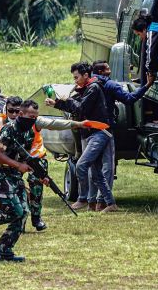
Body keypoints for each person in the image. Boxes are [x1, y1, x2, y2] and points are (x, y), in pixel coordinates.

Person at [0, 96, 87, 231]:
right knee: (15, 198)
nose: (13, 114)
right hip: (13, 162)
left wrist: (78, 124)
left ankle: (36, 218)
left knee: (36, 186)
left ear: (21, 111)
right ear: (6, 110)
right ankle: (14, 220)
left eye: (16, 111)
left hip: (36, 158)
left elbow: (54, 124)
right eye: (10, 111)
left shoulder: (33, 120)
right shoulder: (1, 122)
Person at [0, 100, 47, 262]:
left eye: (35, 117)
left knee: (23, 213)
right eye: (30, 116)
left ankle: (5, 251)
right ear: (21, 114)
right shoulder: (9, 129)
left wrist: (41, 175)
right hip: (0, 173)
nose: (32, 119)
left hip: (14, 175)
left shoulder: (30, 133)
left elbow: (26, 158)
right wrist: (18, 165)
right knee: (11, 211)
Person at [45, 61, 118, 213]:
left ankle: (83, 198)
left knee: (81, 165)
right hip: (91, 134)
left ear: (86, 75)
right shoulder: (85, 88)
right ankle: (111, 204)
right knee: (96, 172)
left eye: (76, 77)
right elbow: (77, 107)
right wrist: (57, 103)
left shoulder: (93, 88)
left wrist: (67, 99)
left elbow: (80, 108)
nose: (75, 80)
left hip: (99, 133)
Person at [90, 60, 155, 211]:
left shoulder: (87, 83)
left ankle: (90, 201)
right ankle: (103, 202)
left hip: (88, 129)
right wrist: (147, 85)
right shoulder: (110, 85)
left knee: (92, 166)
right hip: (105, 129)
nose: (110, 70)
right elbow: (129, 99)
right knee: (108, 166)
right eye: (107, 68)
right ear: (101, 71)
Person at [132, 14, 158, 80]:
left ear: (143, 30)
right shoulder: (156, 26)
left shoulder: (152, 32)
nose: (140, 38)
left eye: (139, 34)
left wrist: (150, 71)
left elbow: (151, 53)